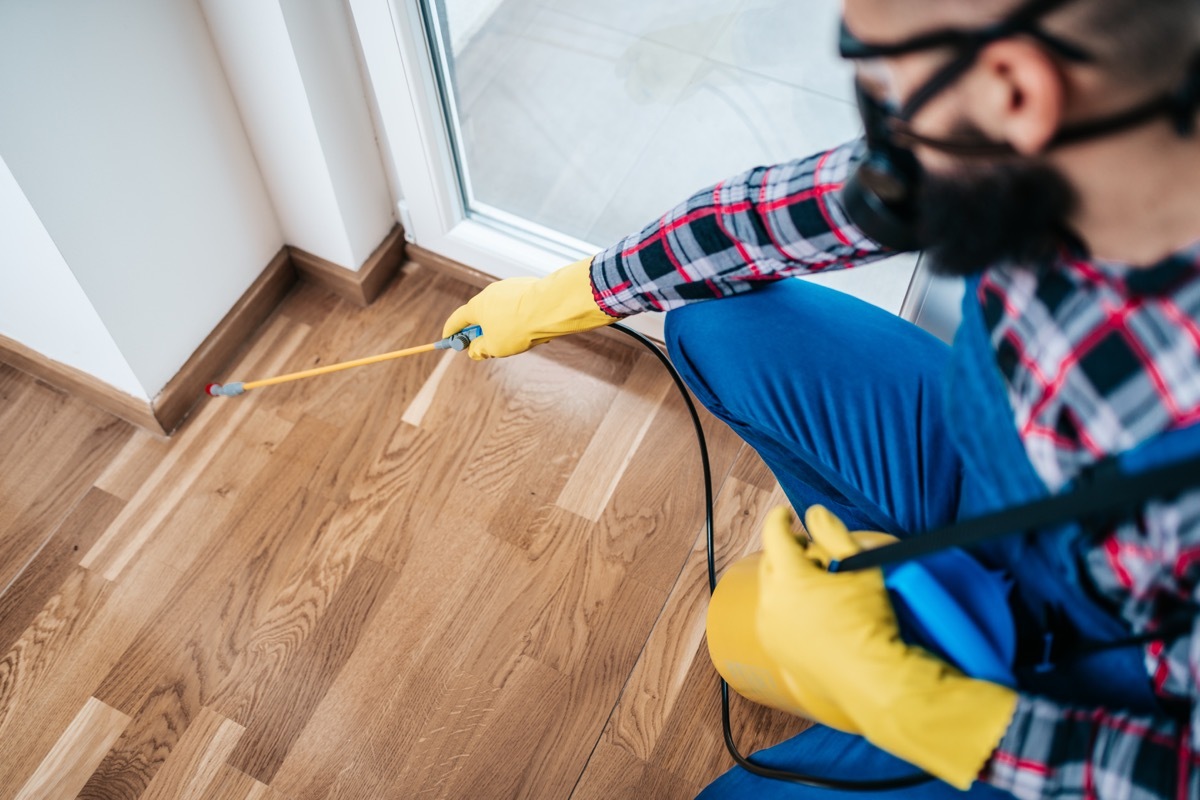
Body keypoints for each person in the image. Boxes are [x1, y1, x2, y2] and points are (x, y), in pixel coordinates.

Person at [441, 0, 1200, 797]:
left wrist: (931, 713)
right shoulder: (1078, 146)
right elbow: (771, 218)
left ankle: (902, 667)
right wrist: (580, 293)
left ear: (1015, 92)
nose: (882, 107)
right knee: (718, 323)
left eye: (881, 70)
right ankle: (898, 598)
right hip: (994, 480)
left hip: (1097, 679)